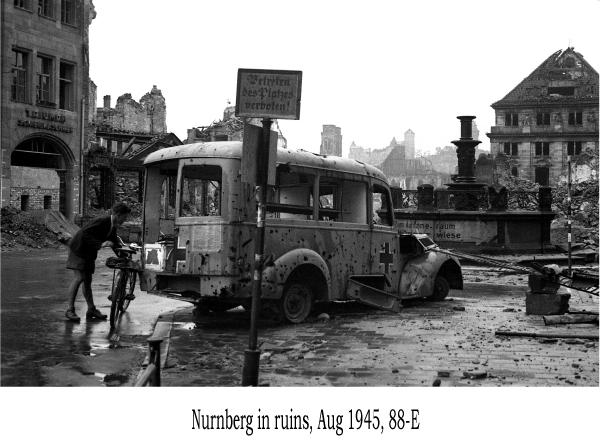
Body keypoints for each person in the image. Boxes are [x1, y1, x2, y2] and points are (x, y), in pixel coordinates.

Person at [65, 202, 132, 322]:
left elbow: (113, 242)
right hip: (79, 249)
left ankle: (91, 309)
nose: (125, 220)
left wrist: (123, 254)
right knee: (79, 278)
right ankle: (70, 309)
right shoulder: (103, 220)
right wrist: (100, 244)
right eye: (125, 217)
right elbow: (85, 234)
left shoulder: (112, 225)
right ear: (118, 214)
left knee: (87, 280)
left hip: (88, 253)